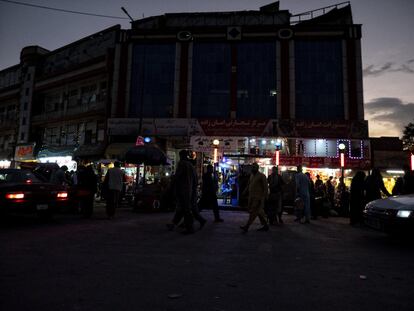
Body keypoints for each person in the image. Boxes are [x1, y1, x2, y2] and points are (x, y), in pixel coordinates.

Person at [168, 150, 205, 234]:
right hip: (190, 190)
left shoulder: (182, 164)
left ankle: (189, 227)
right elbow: (196, 180)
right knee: (183, 208)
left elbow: (177, 176)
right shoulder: (191, 165)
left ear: (182, 156)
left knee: (185, 209)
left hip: (183, 190)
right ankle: (174, 224)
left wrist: (172, 184)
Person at [240, 162, 269, 233]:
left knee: (253, 212)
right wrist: (245, 191)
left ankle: (247, 226)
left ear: (257, 168)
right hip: (252, 197)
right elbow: (249, 184)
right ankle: (265, 226)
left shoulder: (262, 176)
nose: (252, 168)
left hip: (258, 198)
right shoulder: (252, 175)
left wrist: (265, 197)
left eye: (254, 167)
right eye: (252, 167)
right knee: (259, 212)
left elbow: (265, 187)